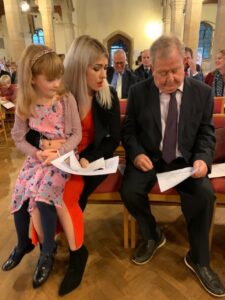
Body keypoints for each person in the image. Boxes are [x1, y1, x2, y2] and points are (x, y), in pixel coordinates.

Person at [120, 35, 225, 297]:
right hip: (150, 158)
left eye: (175, 71)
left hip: (186, 161)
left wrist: (203, 158)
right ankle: (153, 233)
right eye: (162, 73)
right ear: (150, 68)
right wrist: (135, 154)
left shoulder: (202, 92)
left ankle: (199, 259)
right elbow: (129, 131)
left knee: (204, 195)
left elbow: (206, 133)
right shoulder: (138, 92)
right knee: (130, 190)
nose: (170, 79)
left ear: (186, 63)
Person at [24, 35, 121, 295]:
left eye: (106, 67)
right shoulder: (57, 93)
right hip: (59, 159)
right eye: (97, 68)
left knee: (64, 198)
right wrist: (45, 144)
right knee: (35, 195)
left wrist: (89, 157)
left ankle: (77, 254)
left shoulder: (107, 94)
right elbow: (30, 130)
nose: (104, 74)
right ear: (80, 66)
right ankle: (47, 249)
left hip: (89, 162)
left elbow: (114, 138)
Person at [1, 44, 85, 293]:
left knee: (42, 197)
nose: (58, 82)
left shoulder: (65, 98)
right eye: (50, 79)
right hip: (38, 157)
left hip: (63, 156)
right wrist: (37, 153)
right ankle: (22, 242)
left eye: (59, 76)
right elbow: (18, 138)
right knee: (19, 191)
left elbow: (76, 134)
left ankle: (47, 252)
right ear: (32, 79)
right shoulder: (25, 102)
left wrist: (58, 152)